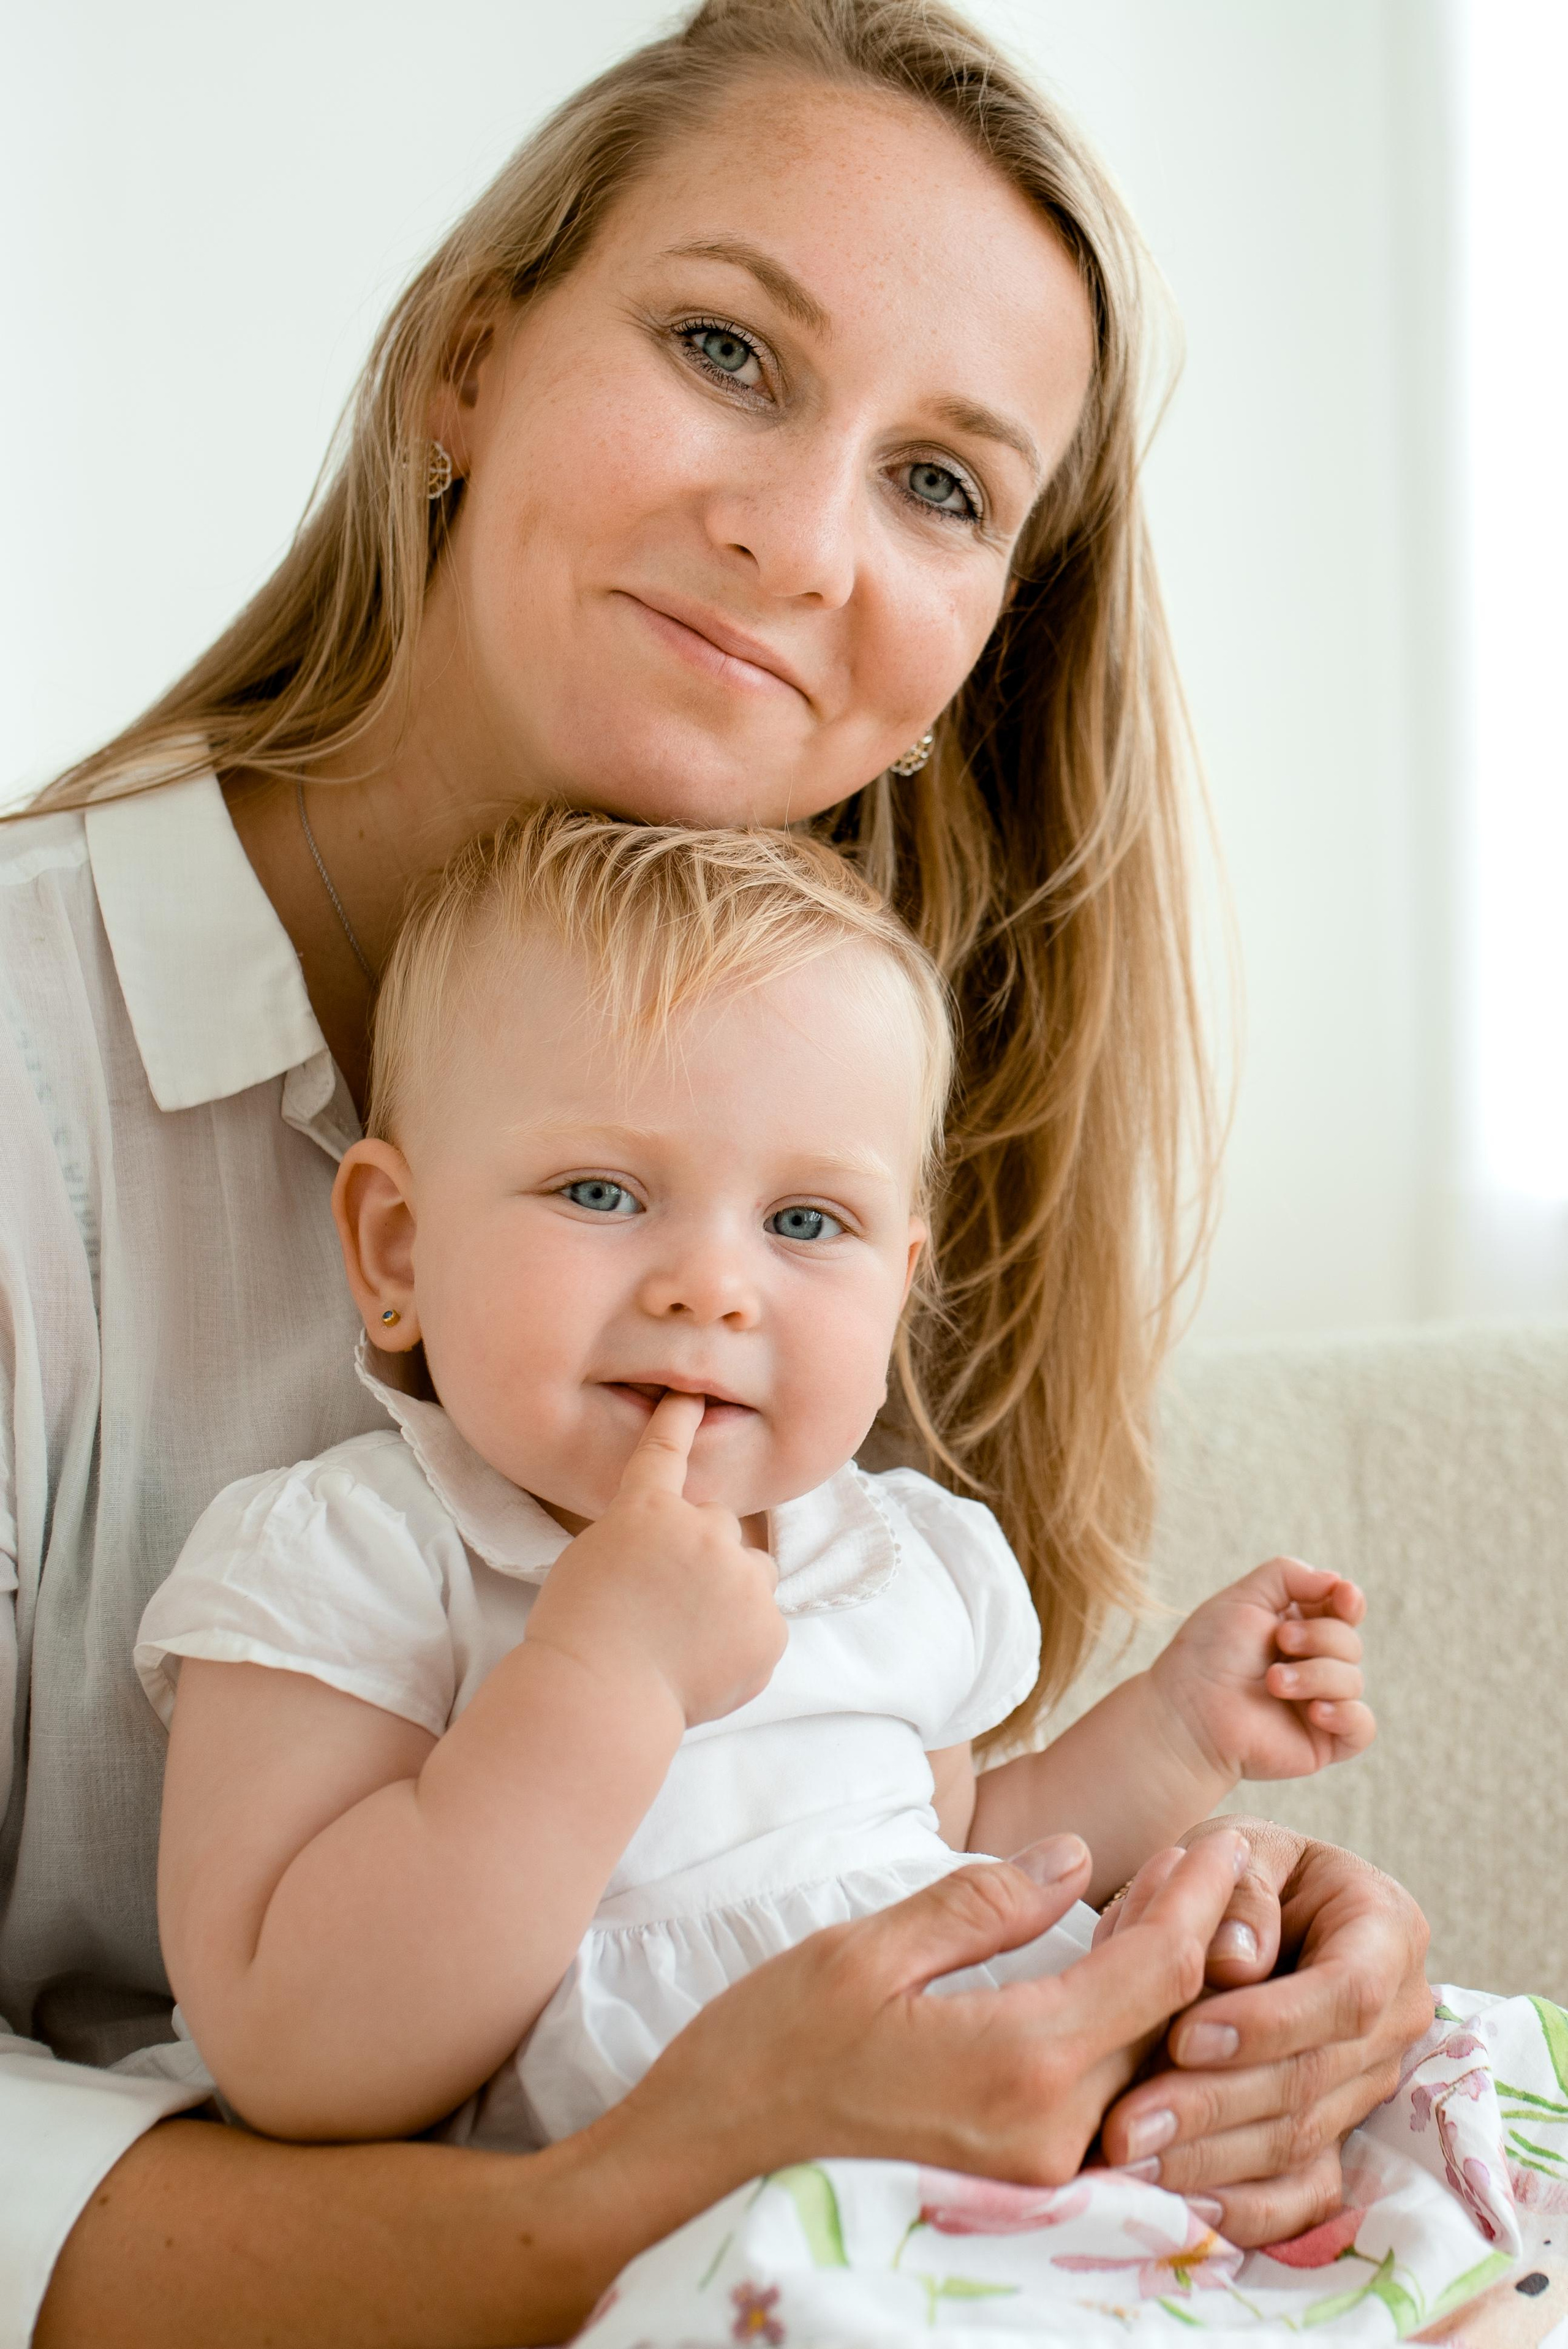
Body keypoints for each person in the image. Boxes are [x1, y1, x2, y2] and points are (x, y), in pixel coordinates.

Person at [1, 2, 1433, 2342]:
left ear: (985, 643)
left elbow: (867, 1853)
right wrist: (663, 2180)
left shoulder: (847, 1153)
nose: (795, 540)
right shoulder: (27, 1078)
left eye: (945, 486)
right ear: (470, 366)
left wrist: (1208, 1964)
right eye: (724, 348)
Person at [134, 813, 1374, 2149]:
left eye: (802, 1223)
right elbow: (295, 2047)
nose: (712, 1289)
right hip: (646, 2222)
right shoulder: (353, 1557)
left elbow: (962, 1850)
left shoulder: (895, 1560)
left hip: (981, 2139)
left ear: (896, 1297)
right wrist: (604, 1679)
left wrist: (1173, 1736)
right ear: (395, 1248)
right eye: (601, 1192)